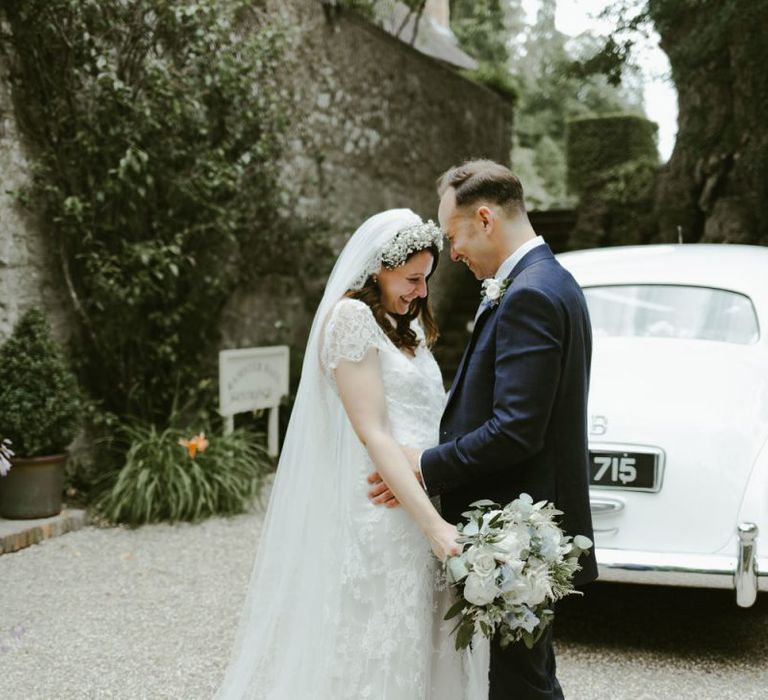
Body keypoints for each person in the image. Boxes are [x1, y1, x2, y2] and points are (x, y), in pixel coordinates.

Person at [214, 209, 488, 700]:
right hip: (383, 514)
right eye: (412, 279)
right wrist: (434, 526)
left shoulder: (402, 323)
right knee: (376, 652)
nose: (421, 292)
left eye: (425, 280)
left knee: (424, 650)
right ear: (379, 268)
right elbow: (374, 433)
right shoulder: (352, 318)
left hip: (424, 499)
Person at [369, 160, 598, 699]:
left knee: (521, 685)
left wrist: (423, 465)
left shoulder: (531, 294)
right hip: (523, 524)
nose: (452, 253)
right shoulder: (546, 280)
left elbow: (516, 429)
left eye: (454, 236)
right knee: (523, 677)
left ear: (486, 218)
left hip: (517, 529)